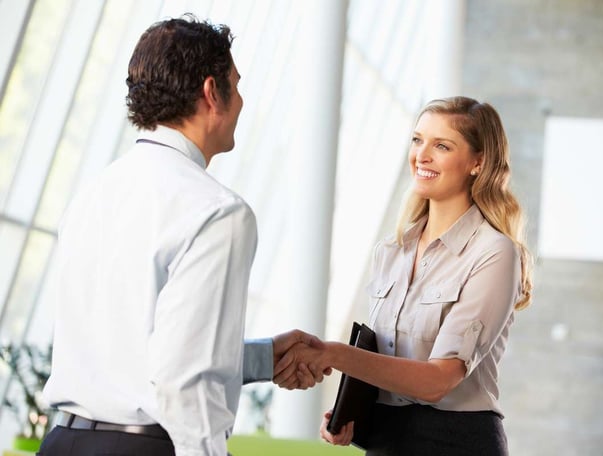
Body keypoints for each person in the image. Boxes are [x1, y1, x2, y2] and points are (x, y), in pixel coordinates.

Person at [39, 15, 323, 456]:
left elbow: (132, 346)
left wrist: (260, 358)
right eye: (237, 84)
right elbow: (186, 378)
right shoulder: (217, 212)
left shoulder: (92, 194)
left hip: (61, 442)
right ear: (213, 93)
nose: (242, 100)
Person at [276, 96, 533, 455]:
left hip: (455, 443)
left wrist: (332, 354)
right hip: (387, 440)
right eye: (417, 140)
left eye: (441, 145)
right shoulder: (391, 251)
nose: (421, 155)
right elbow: (385, 355)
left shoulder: (494, 253)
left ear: (478, 162)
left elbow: (438, 381)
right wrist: (353, 410)